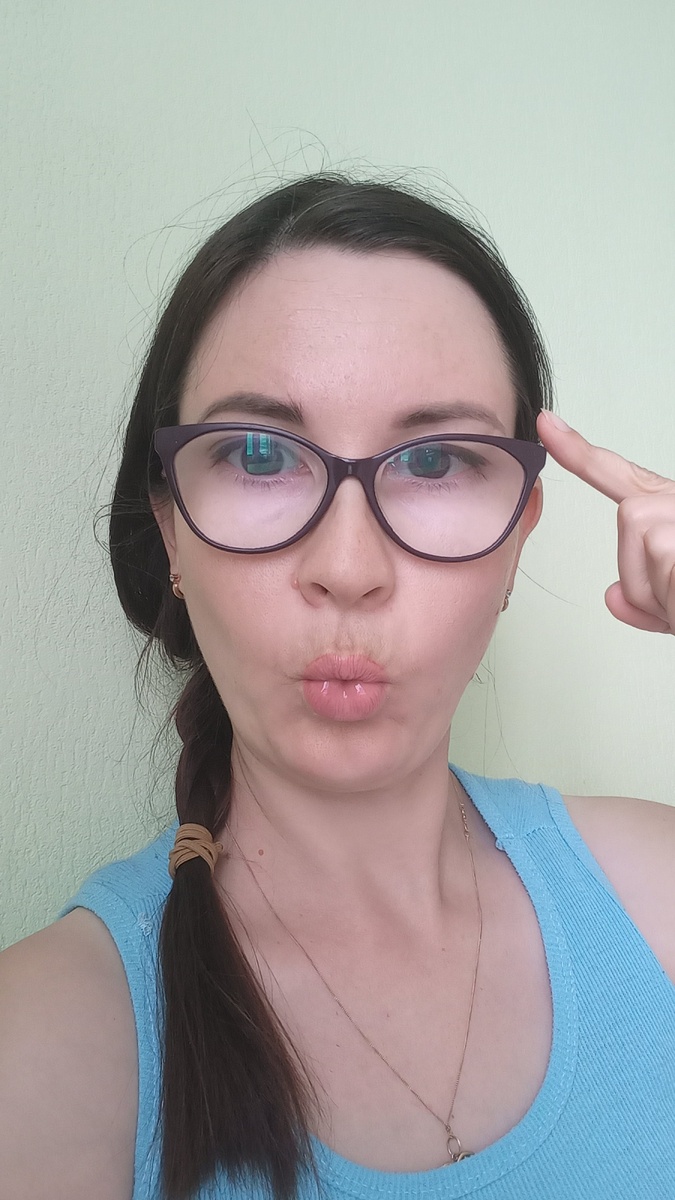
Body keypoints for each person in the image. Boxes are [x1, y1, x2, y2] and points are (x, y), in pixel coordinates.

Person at [1, 175, 674, 1200]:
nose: (348, 568)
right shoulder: (44, 1052)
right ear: (171, 530)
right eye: (258, 453)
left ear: (518, 536)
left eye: (436, 461)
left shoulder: (655, 894)